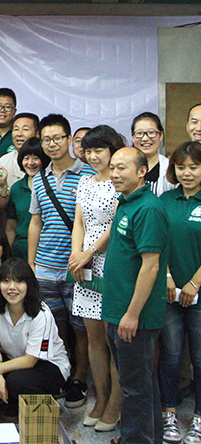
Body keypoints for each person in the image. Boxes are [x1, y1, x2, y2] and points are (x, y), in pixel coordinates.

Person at [27, 113, 94, 409]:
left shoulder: (89, 174)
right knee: (55, 326)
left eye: (57, 138)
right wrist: (31, 263)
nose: (52, 144)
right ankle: (62, 373)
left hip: (77, 268)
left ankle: (80, 378)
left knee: (82, 327)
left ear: (69, 139)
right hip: (44, 267)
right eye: (46, 140)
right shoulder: (39, 178)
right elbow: (36, 222)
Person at [103, 147, 168, 444]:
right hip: (116, 310)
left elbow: (150, 266)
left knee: (134, 388)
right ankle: (148, 437)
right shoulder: (126, 202)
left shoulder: (148, 209)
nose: (114, 174)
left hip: (134, 316)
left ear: (142, 172)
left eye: (122, 168)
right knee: (141, 382)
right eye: (112, 168)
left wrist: (132, 314)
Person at [68, 125, 124, 431]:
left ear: (112, 150)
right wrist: (76, 254)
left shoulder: (119, 182)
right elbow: (79, 222)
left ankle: (115, 403)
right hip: (84, 265)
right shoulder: (85, 181)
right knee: (94, 339)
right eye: (88, 151)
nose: (92, 156)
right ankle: (100, 400)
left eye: (98, 150)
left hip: (110, 261)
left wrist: (89, 252)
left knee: (113, 339)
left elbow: (115, 224)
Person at [0, 258, 70, 410]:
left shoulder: (41, 314)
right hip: (12, 360)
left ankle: (44, 395)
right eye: (6, 281)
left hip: (46, 364)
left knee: (16, 381)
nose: (12, 287)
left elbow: (30, 361)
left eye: (19, 281)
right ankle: (5, 397)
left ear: (29, 284)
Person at [158, 142, 201, 444]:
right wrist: (168, 276)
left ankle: (198, 418)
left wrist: (195, 283)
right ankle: (168, 413)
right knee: (171, 357)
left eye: (194, 167)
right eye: (181, 167)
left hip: (199, 293)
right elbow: (157, 241)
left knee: (200, 358)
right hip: (170, 294)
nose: (187, 173)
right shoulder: (165, 200)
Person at [5, 137, 49, 261]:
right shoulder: (16, 188)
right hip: (21, 250)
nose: (30, 163)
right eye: (26, 158)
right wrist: (8, 255)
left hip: (46, 249)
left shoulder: (52, 185)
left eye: (35, 158)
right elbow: (11, 226)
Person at [131, 112, 177, 196]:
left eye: (151, 132)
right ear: (133, 137)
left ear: (161, 135)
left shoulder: (170, 168)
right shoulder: (125, 167)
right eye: (139, 133)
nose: (145, 138)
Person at [0, 113, 40, 189]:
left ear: (37, 134)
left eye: (25, 129)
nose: (19, 134)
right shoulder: (4, 161)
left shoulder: (44, 159)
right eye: (16, 129)